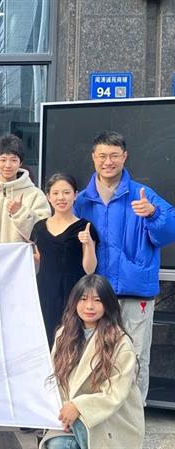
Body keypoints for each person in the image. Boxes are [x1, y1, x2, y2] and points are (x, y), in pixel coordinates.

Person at [73, 130, 175, 403]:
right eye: (102, 156)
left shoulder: (143, 195)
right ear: (93, 158)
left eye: (114, 155)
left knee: (136, 356)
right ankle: (97, 412)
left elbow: (169, 232)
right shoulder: (81, 201)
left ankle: (133, 415)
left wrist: (153, 215)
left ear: (124, 157)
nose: (108, 161)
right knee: (93, 355)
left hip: (135, 292)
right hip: (95, 294)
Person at [39, 274, 144, 449]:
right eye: (83, 299)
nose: (89, 306)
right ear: (74, 302)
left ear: (107, 304)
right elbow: (55, 380)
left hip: (109, 419)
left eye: (97, 300)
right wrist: (63, 409)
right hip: (69, 418)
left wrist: (78, 407)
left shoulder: (120, 342)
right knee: (57, 444)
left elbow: (115, 394)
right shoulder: (63, 335)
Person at [31, 173, 99, 346]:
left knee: (72, 340)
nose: (61, 198)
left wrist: (88, 244)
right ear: (48, 196)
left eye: (66, 192)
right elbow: (38, 260)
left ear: (75, 195)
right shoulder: (39, 227)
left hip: (74, 292)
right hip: (44, 290)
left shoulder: (85, 227)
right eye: (55, 193)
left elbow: (90, 269)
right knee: (46, 339)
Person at [0, 134, 50, 244]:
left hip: (20, 255)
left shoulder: (35, 194)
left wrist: (20, 212)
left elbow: (42, 234)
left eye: (13, 160)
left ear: (20, 162)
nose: (8, 165)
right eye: (3, 160)